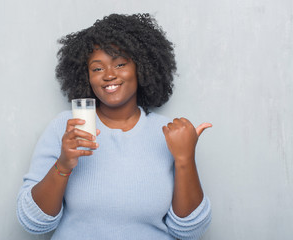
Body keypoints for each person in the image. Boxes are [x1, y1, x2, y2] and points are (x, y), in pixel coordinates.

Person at [17, 13, 212, 239]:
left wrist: (185, 158)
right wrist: (63, 165)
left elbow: (191, 231)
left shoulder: (169, 134)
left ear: (141, 67)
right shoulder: (66, 127)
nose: (109, 75)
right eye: (97, 68)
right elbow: (33, 222)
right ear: (86, 76)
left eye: (120, 64)